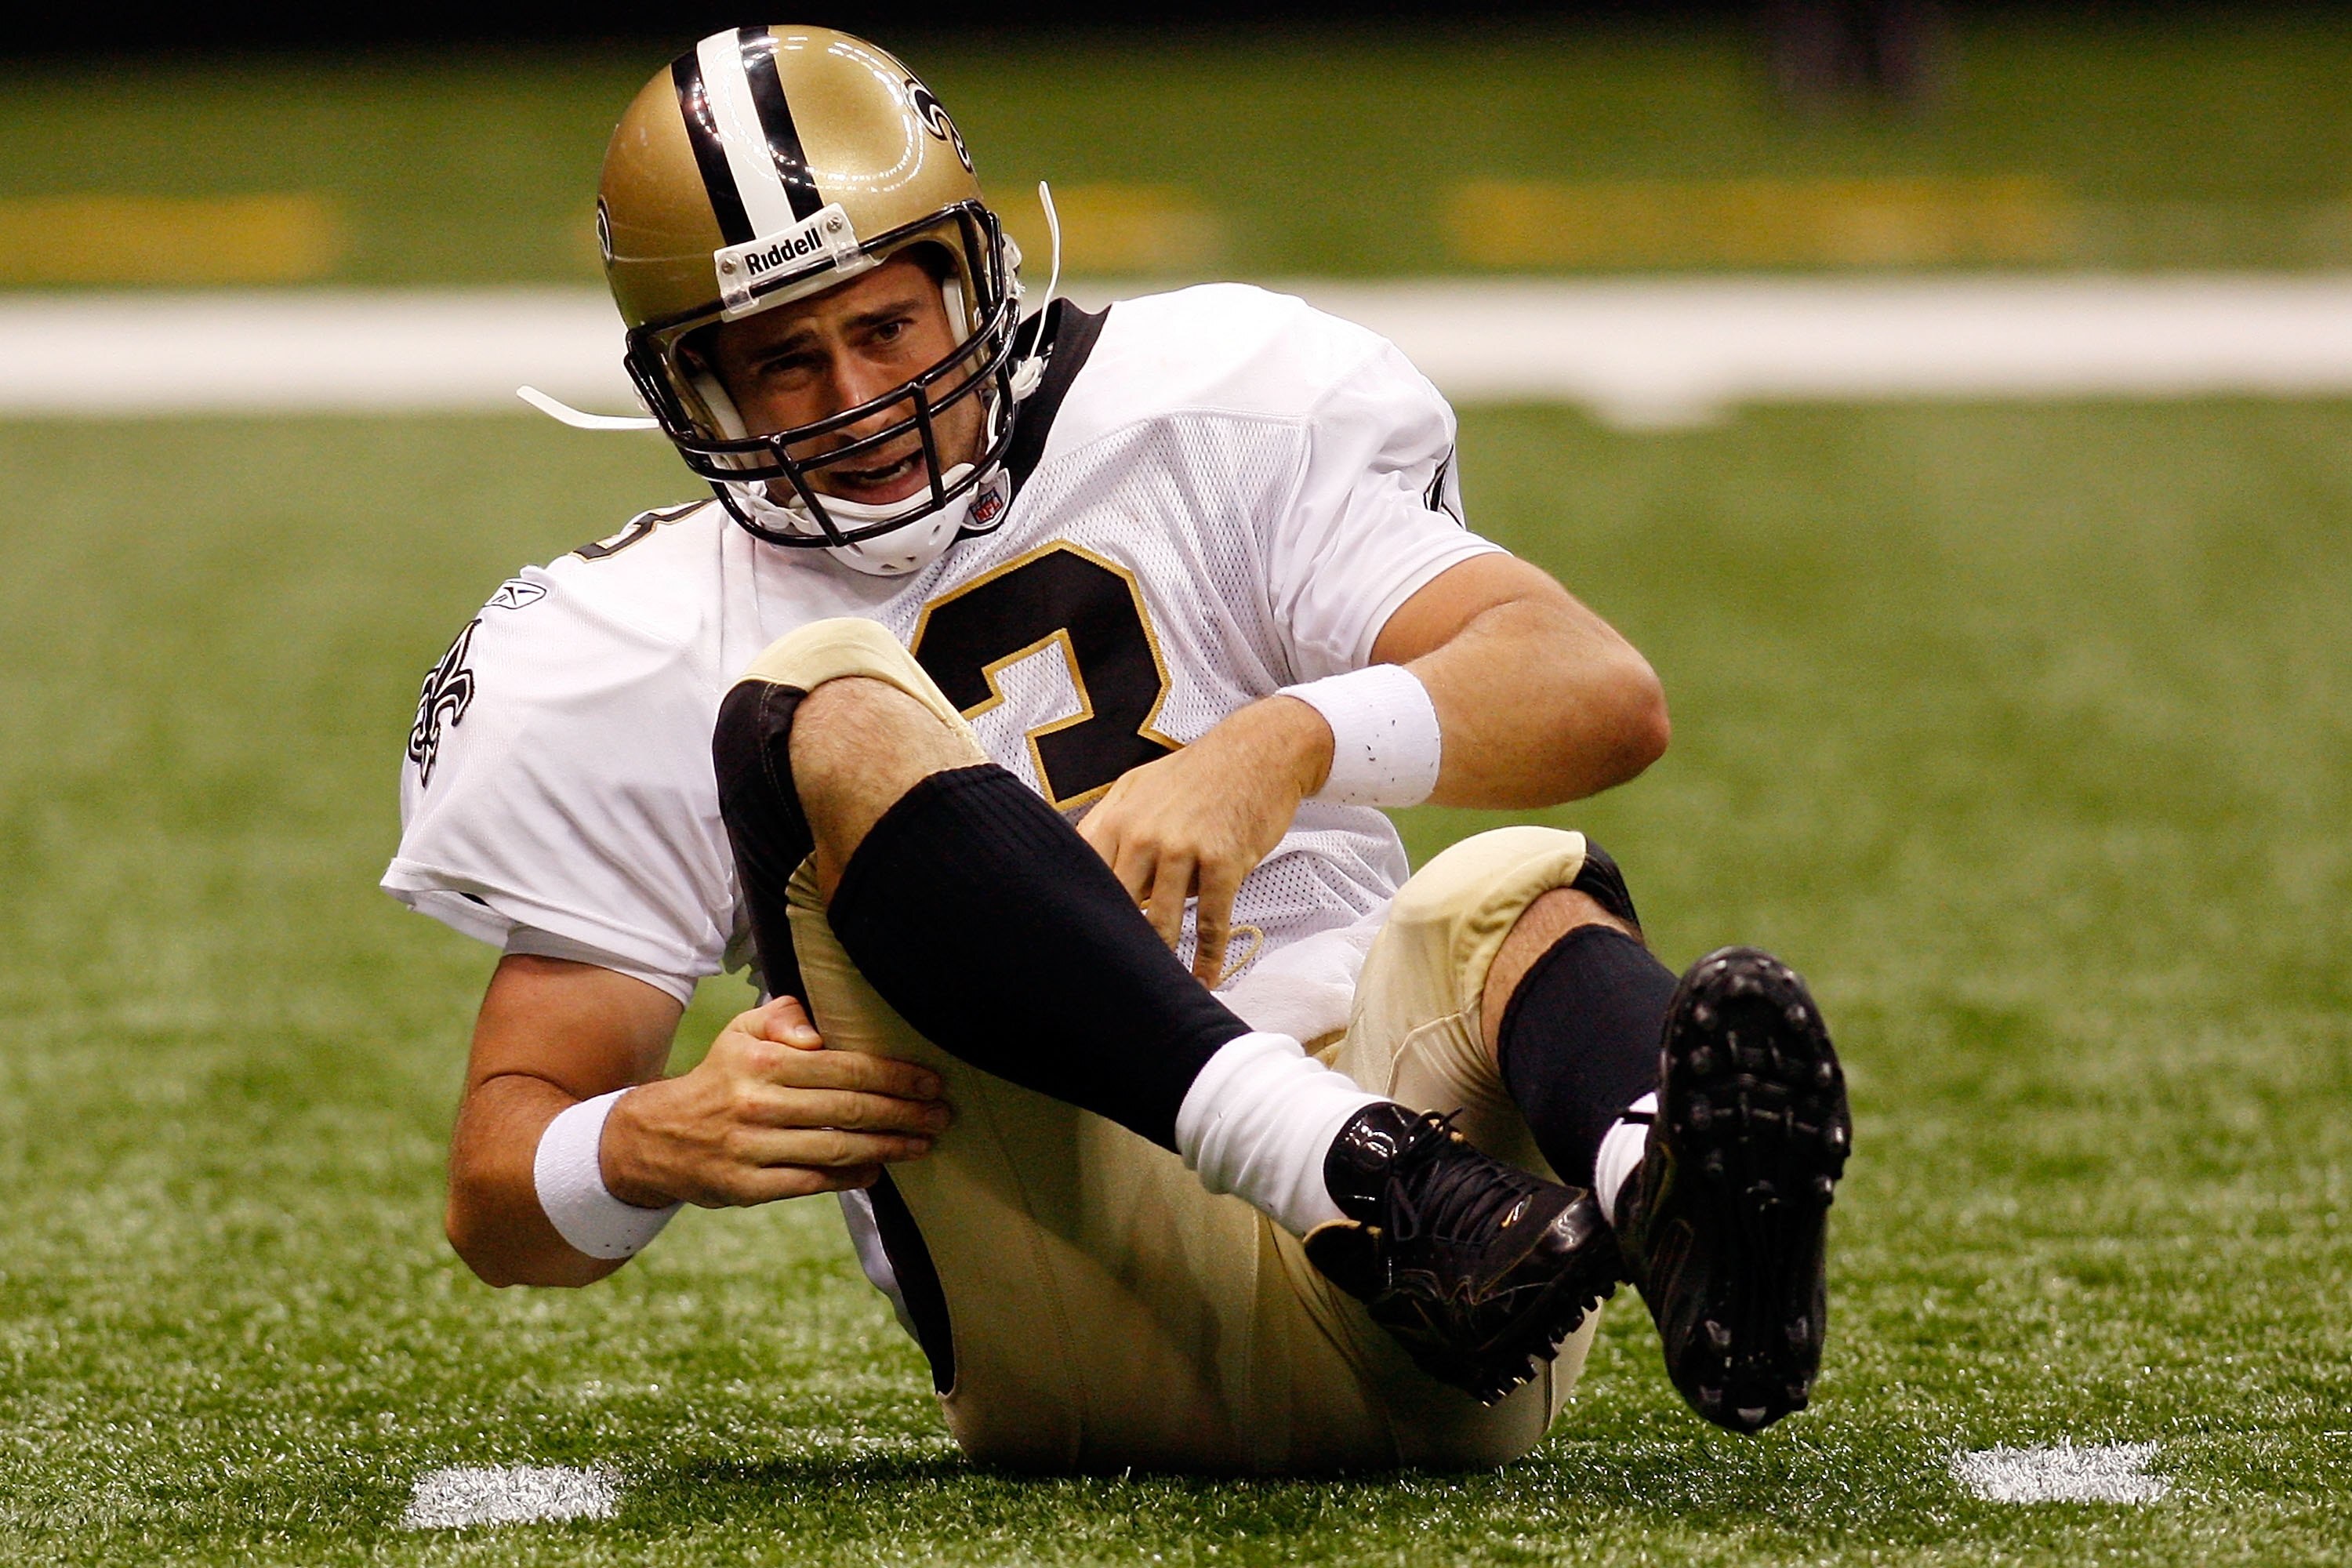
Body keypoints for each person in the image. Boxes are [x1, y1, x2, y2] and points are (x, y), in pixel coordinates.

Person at [386, 24, 1851, 1472]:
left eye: (886, 327)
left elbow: (1599, 689)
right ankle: (1345, 1167)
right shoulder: (645, 633)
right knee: (823, 698)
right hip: (1081, 1300)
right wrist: (646, 1139)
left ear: (975, 280)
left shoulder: (1206, 411)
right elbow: (495, 1196)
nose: (856, 402)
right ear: (693, 388)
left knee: (1513, 897)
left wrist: (1282, 739)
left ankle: (1672, 1197)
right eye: (785, 363)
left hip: (1470, 1307)